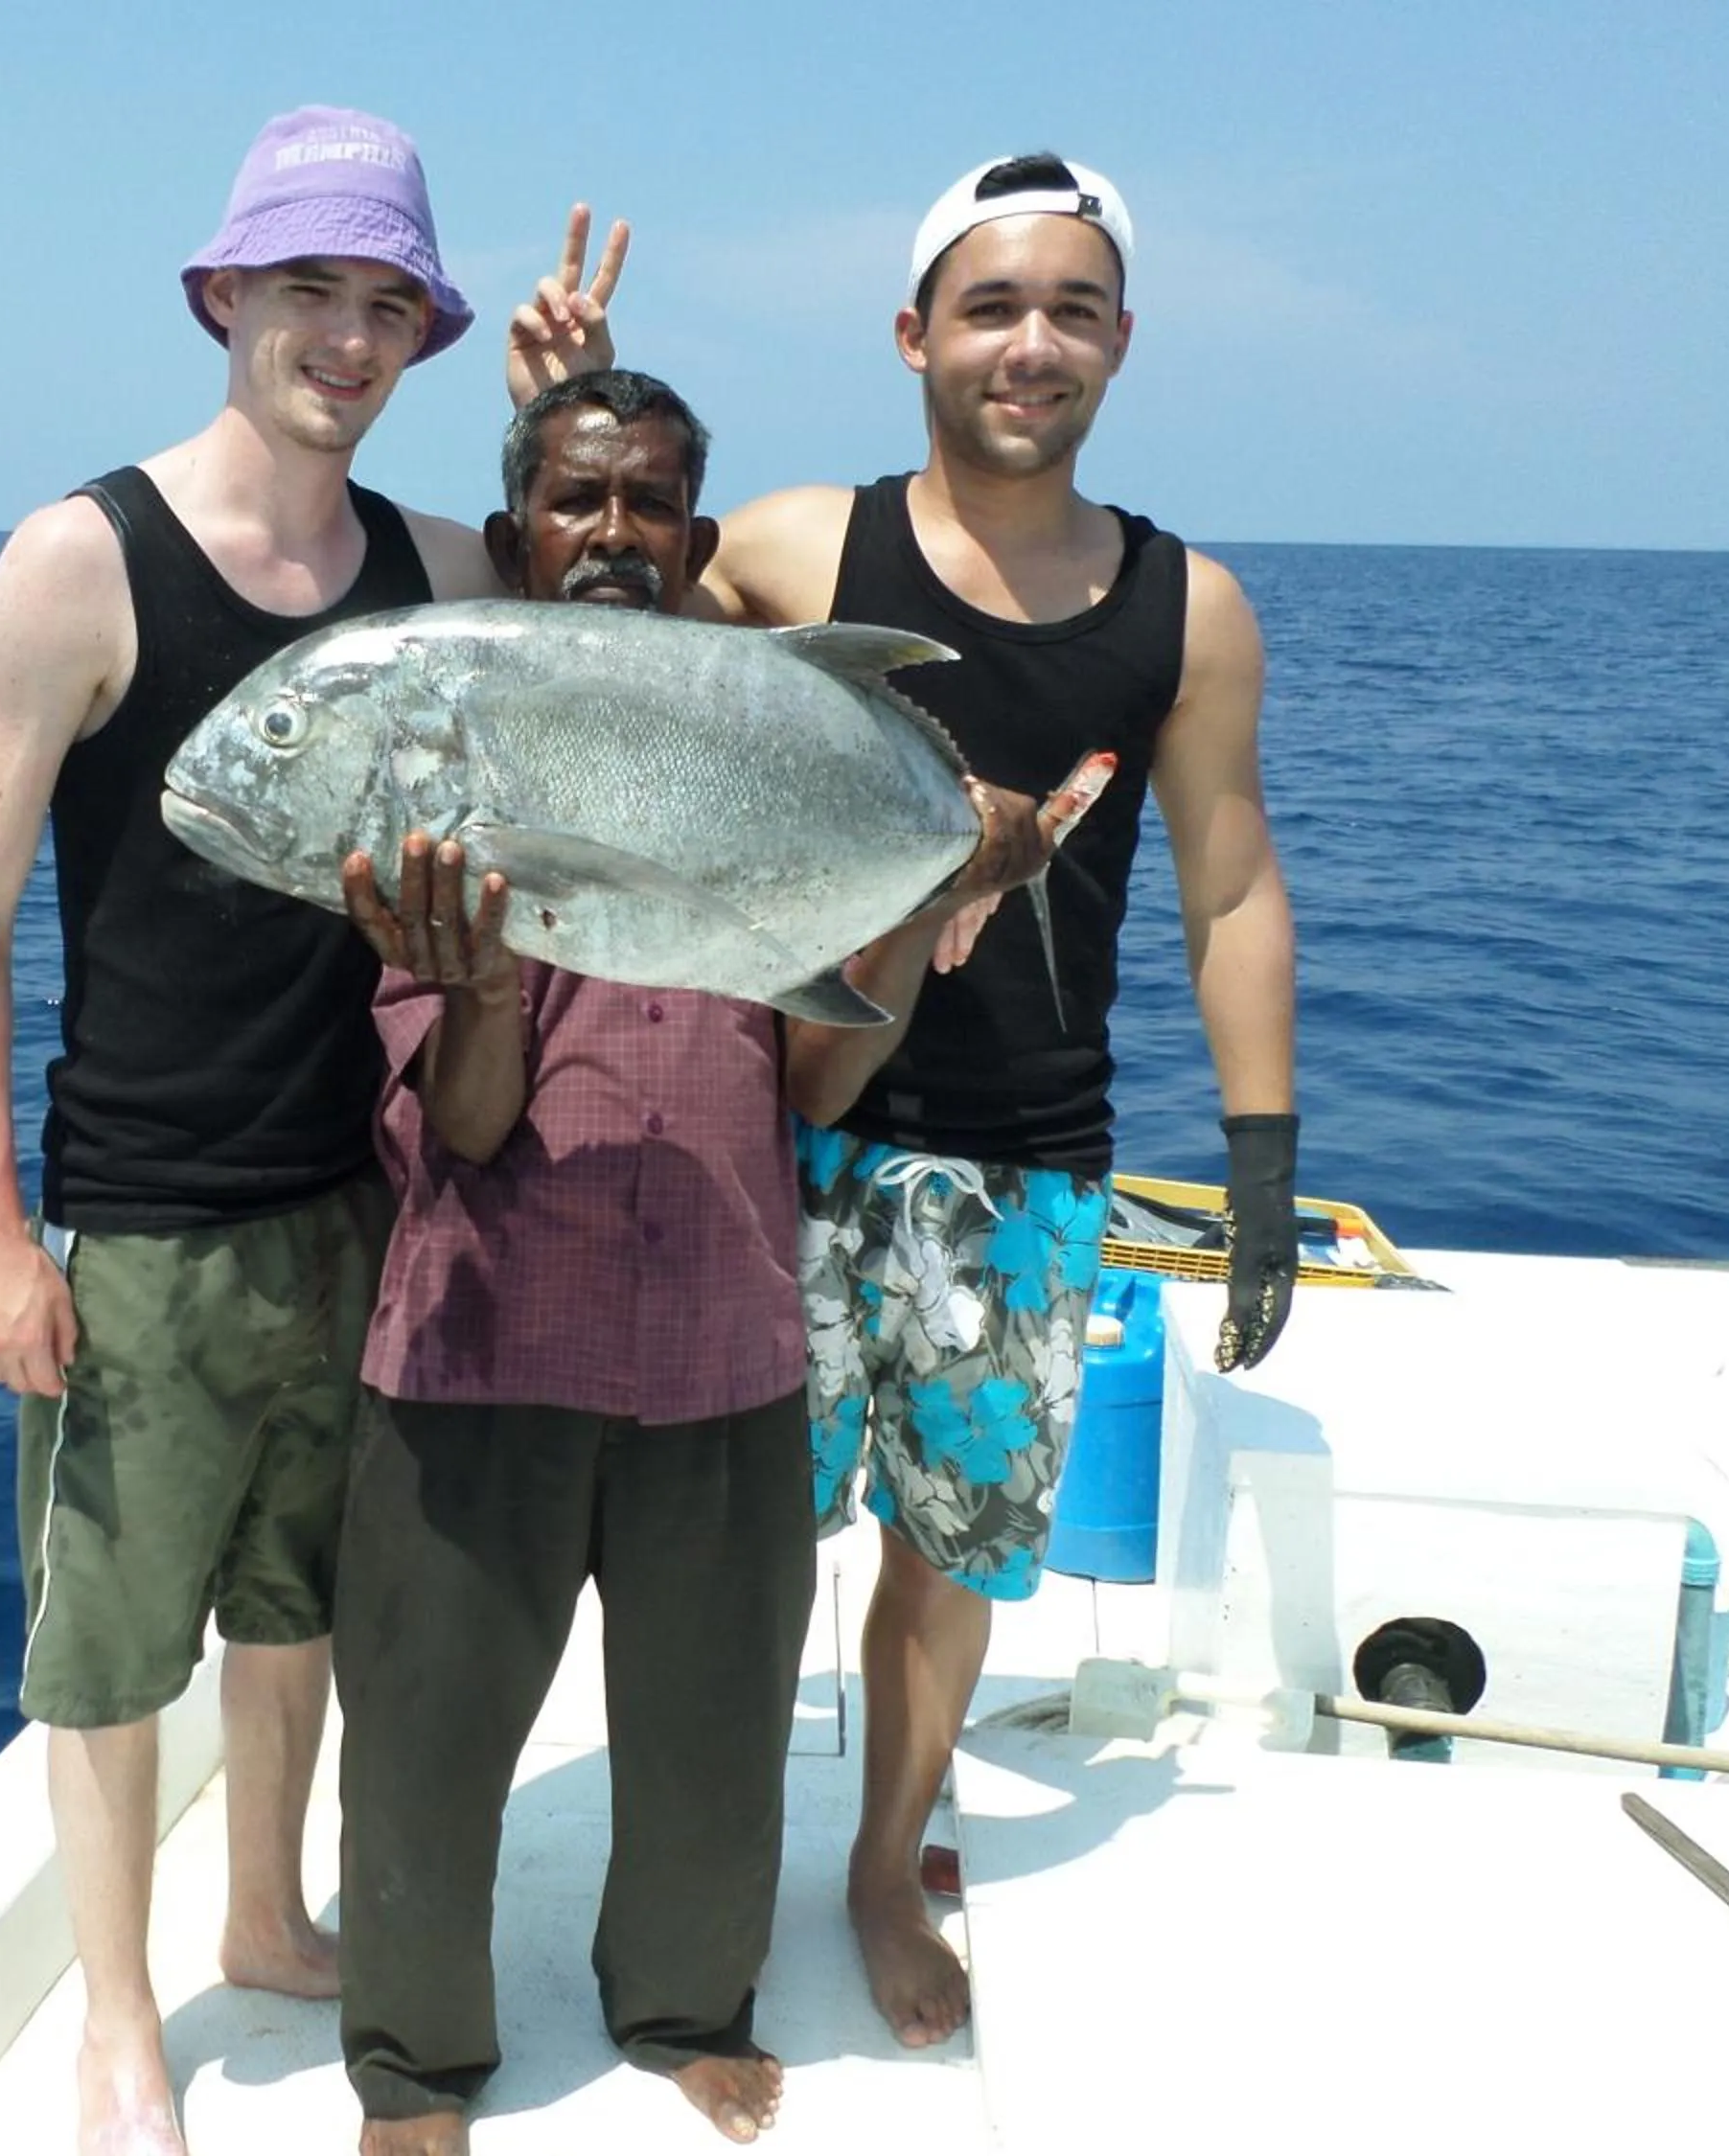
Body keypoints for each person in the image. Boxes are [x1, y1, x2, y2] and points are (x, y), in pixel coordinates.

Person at [0, 108, 605, 2155]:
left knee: (295, 1607)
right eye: (310, 287)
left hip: (360, 1198)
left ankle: (262, 1911)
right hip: (134, 1217)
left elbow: (600, 591)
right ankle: (122, 2017)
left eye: (387, 300)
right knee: (115, 1647)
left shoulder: (437, 567)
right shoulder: (82, 560)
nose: (348, 333)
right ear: (224, 297)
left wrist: (551, 419)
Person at [329, 369, 1078, 2155]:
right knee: (425, 1746)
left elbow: (818, 1070)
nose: (611, 535)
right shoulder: (448, 745)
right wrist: (490, 987)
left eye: (647, 503)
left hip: (725, 1334)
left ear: (697, 542)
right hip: (480, 1341)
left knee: (714, 1744)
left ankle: (682, 2002)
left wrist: (930, 897)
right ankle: (417, 2061)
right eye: (577, 502)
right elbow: (471, 1126)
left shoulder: (769, 761)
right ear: (519, 535)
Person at [696, 153, 1302, 2050]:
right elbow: (594, 615)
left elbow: (1230, 885)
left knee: (953, 1544)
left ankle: (881, 1855)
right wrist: (564, 388)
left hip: (1023, 1156)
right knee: (737, 1533)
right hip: (777, 1126)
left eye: (1072, 309)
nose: (1029, 344)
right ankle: (705, 1856)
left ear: (1120, 342)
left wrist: (1265, 1169)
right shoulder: (795, 551)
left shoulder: (1184, 609)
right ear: (912, 336)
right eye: (990, 305)